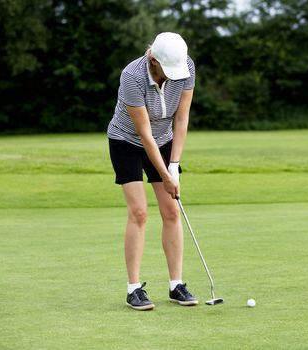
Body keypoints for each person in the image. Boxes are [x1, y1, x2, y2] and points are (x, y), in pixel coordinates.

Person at [107, 32, 197, 310]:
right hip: (127, 141)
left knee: (171, 210)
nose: (172, 77)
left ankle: (176, 285)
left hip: (165, 139)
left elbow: (181, 118)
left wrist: (174, 166)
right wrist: (166, 175)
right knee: (139, 212)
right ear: (153, 59)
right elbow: (144, 134)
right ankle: (133, 289)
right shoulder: (131, 76)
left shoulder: (186, 66)